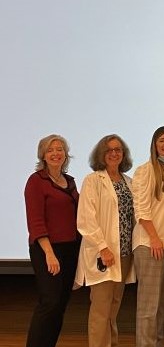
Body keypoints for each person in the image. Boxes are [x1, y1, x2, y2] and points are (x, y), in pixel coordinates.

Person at [75, 134, 136, 347]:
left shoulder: (129, 182)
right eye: (109, 150)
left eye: (118, 149)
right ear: (101, 154)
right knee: (101, 309)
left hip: (125, 254)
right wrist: (103, 248)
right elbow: (86, 219)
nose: (114, 153)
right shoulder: (93, 181)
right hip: (103, 254)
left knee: (114, 307)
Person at [24, 134, 80, 347]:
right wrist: (49, 253)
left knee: (60, 304)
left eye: (59, 149)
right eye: (50, 150)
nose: (56, 153)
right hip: (47, 249)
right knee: (49, 302)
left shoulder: (70, 182)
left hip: (70, 249)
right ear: (43, 156)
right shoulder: (36, 181)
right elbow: (36, 221)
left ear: (66, 154)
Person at [132, 126, 164, 347]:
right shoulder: (145, 170)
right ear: (154, 145)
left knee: (163, 304)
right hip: (149, 244)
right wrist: (154, 238)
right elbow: (141, 209)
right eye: (161, 140)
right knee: (149, 306)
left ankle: (156, 343)